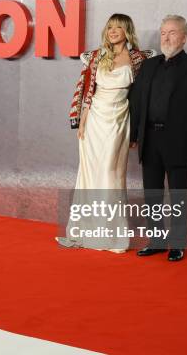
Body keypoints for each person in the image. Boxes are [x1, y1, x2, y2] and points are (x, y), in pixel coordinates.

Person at [57, 13, 155, 253]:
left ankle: (112, 237)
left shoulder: (138, 59)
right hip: (94, 122)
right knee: (88, 175)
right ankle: (83, 232)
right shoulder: (95, 56)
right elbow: (88, 91)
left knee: (111, 174)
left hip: (119, 119)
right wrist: (82, 121)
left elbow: (141, 96)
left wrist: (137, 133)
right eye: (109, 27)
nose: (112, 31)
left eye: (118, 27)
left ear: (127, 31)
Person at [130, 14, 187, 262]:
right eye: (163, 32)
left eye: (173, 32)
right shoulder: (148, 65)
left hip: (181, 142)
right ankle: (156, 240)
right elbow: (137, 103)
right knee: (152, 194)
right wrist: (134, 135)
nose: (166, 37)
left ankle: (177, 244)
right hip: (150, 139)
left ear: (185, 37)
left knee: (178, 195)